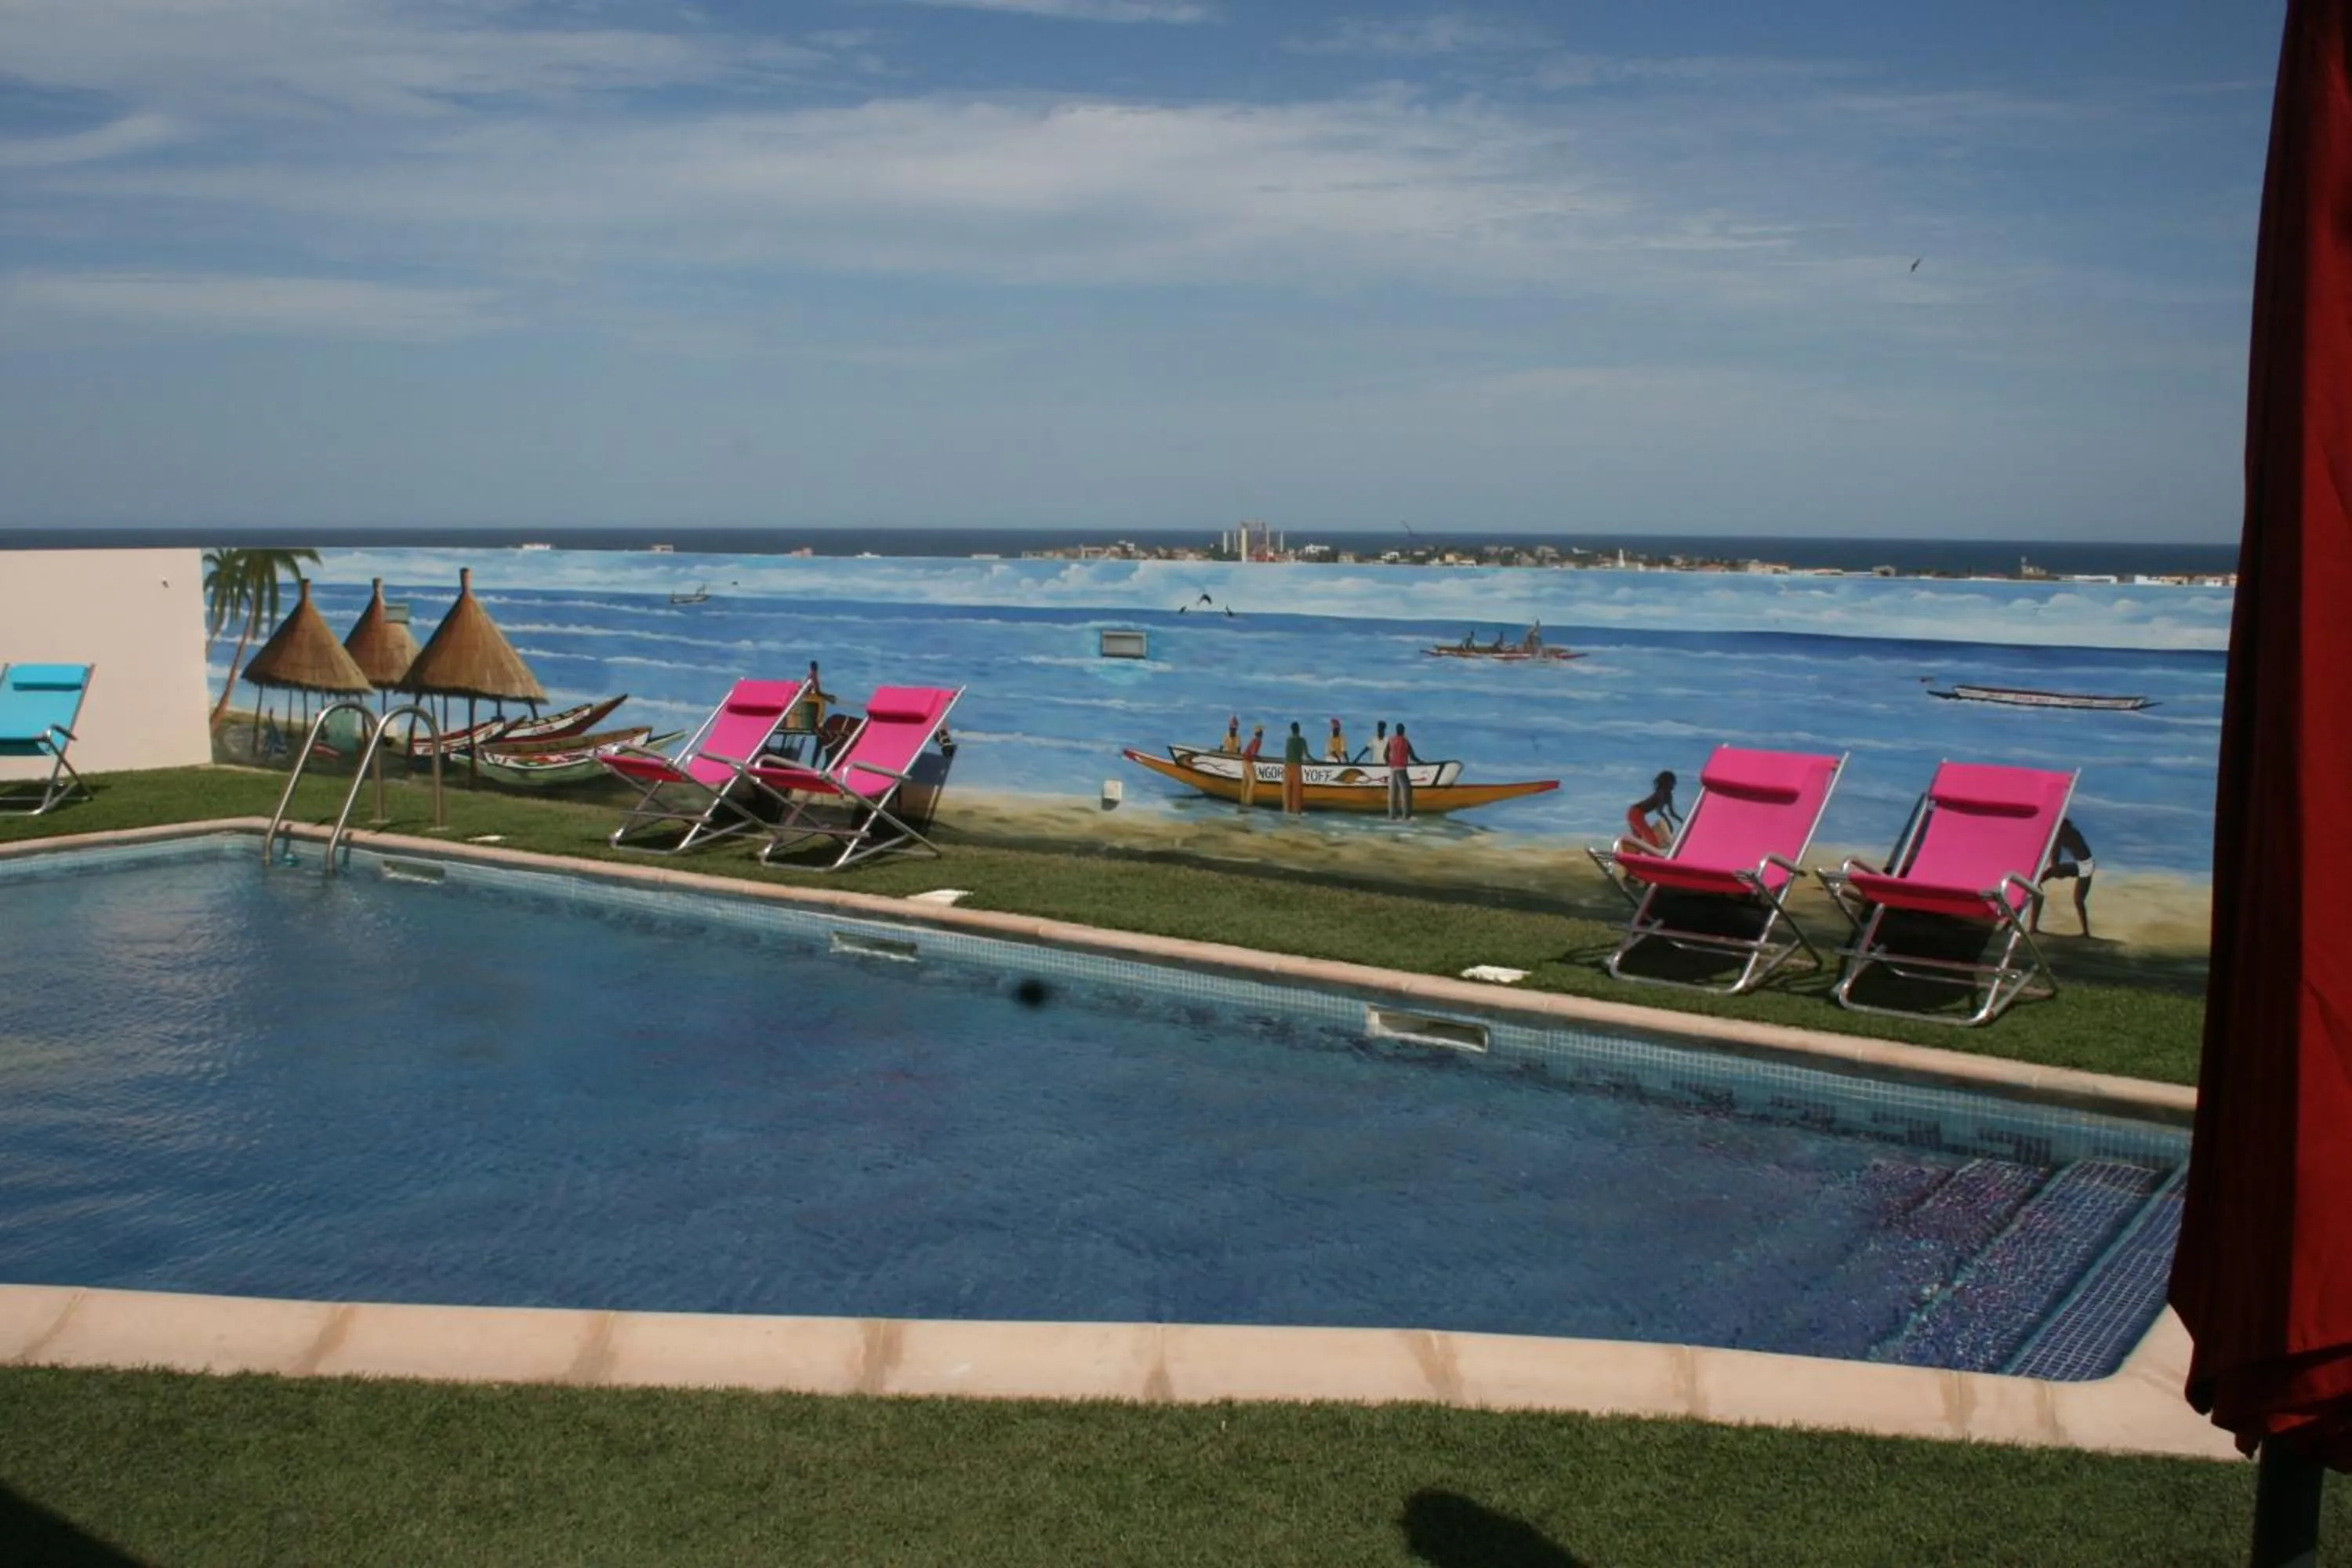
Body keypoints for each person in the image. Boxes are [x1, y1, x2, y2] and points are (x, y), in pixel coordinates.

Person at [2034, 818, 2096, 936]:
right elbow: (2055, 856)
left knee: (2078, 899)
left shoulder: (2065, 832)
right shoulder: (2065, 831)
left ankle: (2086, 933)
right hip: (2083, 864)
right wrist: (2055, 869)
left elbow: (2055, 855)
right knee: (2034, 885)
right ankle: (2030, 927)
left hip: (2086, 866)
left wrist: (2055, 869)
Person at [1624, 770, 1681, 850]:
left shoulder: (1668, 794)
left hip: (1635, 813)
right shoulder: (1662, 792)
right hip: (1635, 813)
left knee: (1639, 841)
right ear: (1667, 782)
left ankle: (1631, 858)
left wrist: (1682, 821)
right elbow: (1659, 810)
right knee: (1652, 841)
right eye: (1673, 781)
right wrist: (1668, 823)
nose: (1674, 784)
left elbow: (1672, 813)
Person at [1385, 722, 1422, 820]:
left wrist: (1390, 763)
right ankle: (1406, 816)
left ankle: (1392, 817)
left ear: (1396, 730)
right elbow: (1413, 756)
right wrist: (1422, 763)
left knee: (1393, 794)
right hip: (1402, 769)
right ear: (1403, 731)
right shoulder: (1405, 741)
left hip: (1393, 770)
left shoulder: (1391, 740)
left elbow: (1385, 755)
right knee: (1406, 793)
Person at [1282, 720, 1309, 814]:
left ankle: (1286, 811)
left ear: (1291, 730)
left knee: (1287, 792)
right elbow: (1306, 755)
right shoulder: (1302, 740)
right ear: (1299, 730)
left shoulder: (1288, 740)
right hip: (1297, 767)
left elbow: (1287, 753)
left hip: (1288, 766)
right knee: (1296, 793)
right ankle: (1296, 813)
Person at [1239, 723, 1265, 808]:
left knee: (1245, 783)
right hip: (1248, 761)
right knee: (1252, 782)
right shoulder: (1258, 741)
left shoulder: (1253, 740)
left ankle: (1243, 802)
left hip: (1244, 761)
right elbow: (1253, 753)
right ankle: (1248, 803)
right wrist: (1259, 758)